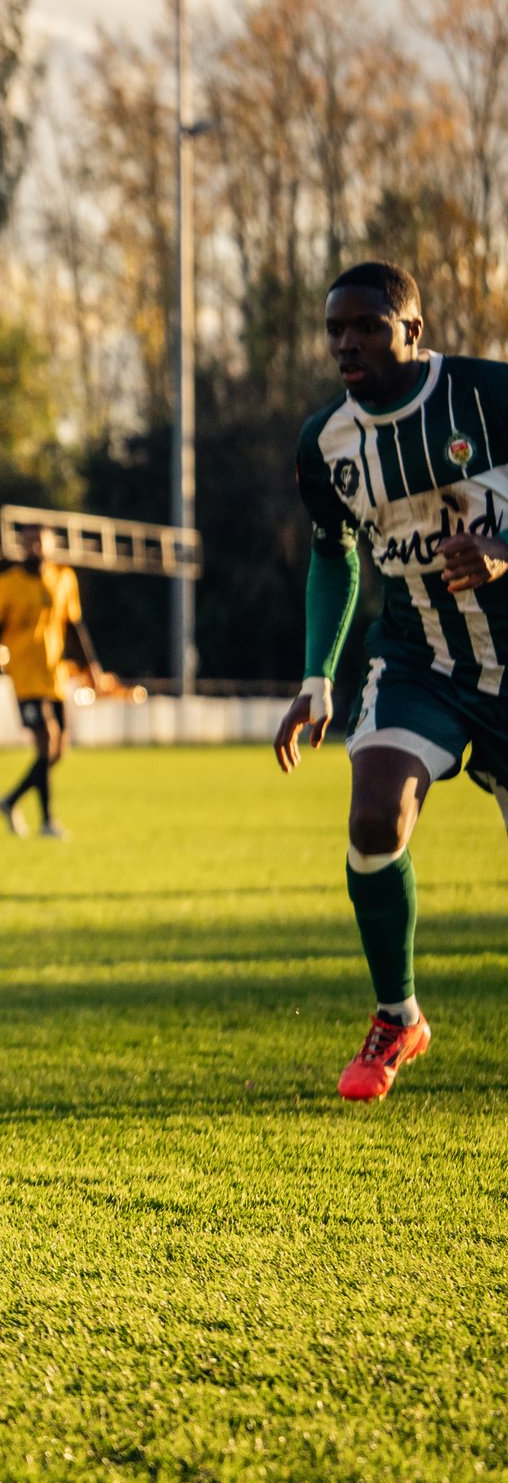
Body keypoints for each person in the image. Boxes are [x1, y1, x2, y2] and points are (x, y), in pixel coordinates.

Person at [275, 260, 508, 1102]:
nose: (346, 342)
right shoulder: (326, 442)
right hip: (417, 662)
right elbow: (332, 554)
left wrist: (504, 546)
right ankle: (396, 1014)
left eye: (367, 325)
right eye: (335, 328)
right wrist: (317, 676)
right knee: (375, 811)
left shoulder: (488, 396)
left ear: (413, 328)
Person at [0, 523, 103, 838]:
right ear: (21, 546)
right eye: (29, 543)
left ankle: (11, 800)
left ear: (50, 545)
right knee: (48, 740)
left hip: (54, 673)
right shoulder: (7, 583)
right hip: (25, 675)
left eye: (40, 543)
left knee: (58, 751)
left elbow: (74, 627)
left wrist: (91, 668)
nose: (35, 549)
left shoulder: (64, 579)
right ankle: (47, 822)